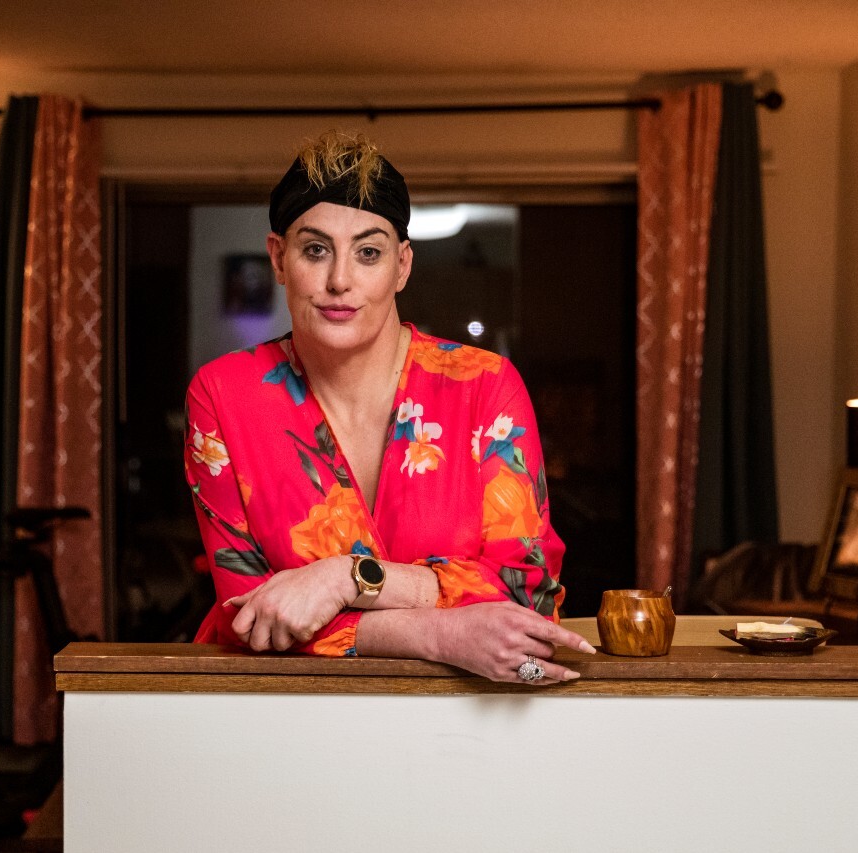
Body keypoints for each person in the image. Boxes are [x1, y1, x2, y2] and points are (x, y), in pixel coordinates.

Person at [183, 131, 594, 685]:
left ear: (402, 266)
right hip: (276, 714)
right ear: (278, 258)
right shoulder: (225, 394)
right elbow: (248, 614)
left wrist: (347, 579)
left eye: (368, 252)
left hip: (467, 722)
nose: (339, 281)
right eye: (315, 249)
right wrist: (438, 633)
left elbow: (525, 594)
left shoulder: (484, 387)